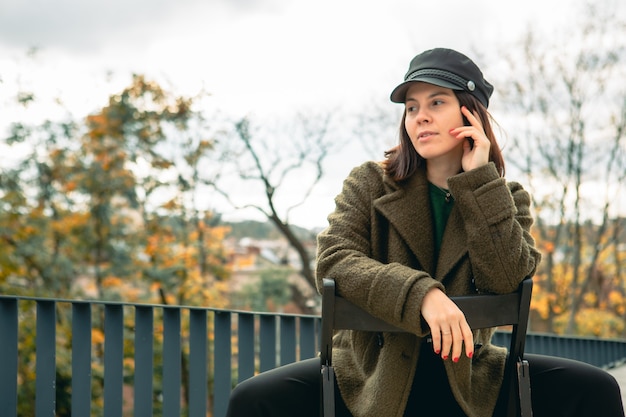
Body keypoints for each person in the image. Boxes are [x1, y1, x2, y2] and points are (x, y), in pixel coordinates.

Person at [226, 47, 625, 417]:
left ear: (471, 115)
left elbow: (507, 278)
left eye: (437, 102)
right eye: (412, 107)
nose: (420, 116)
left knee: (597, 388)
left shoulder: (505, 197)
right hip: (370, 373)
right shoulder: (369, 183)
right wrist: (423, 295)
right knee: (252, 398)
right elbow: (334, 262)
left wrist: (479, 183)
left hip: (468, 374)